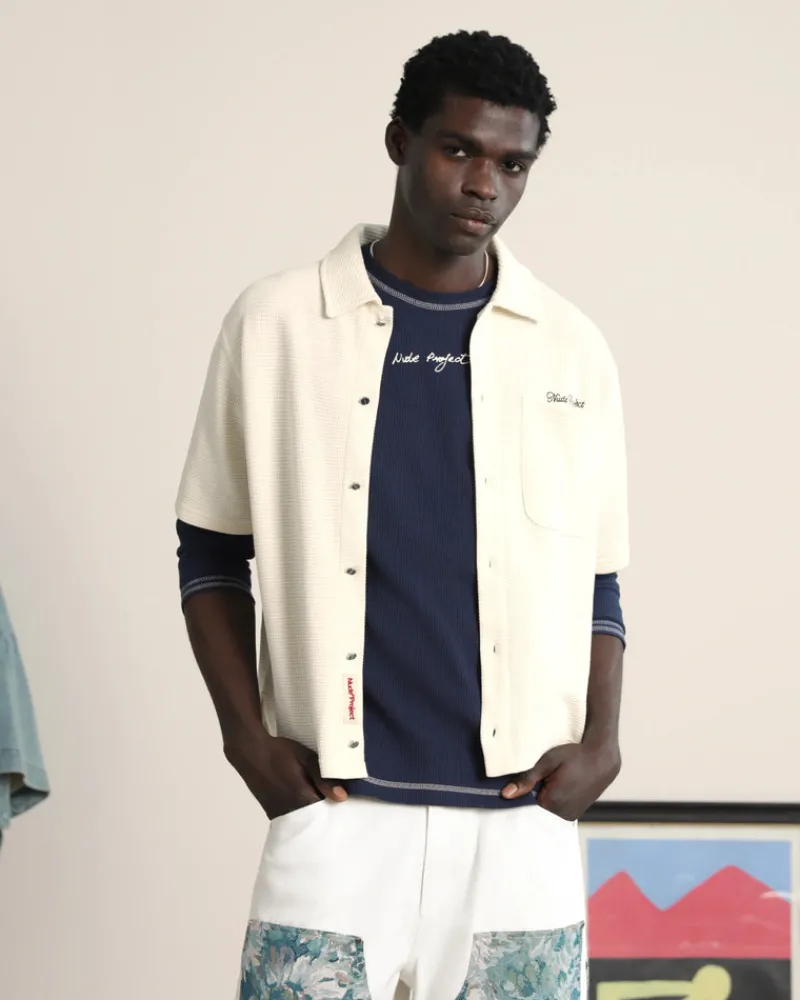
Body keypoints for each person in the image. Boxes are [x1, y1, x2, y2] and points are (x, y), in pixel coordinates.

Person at [175, 29, 629, 1000]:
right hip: (338, 818)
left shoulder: (571, 348)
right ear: (399, 141)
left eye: (512, 164)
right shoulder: (278, 323)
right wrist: (244, 737)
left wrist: (602, 742)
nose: (484, 185)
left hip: (519, 831)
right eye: (457, 149)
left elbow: (598, 576)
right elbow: (208, 551)